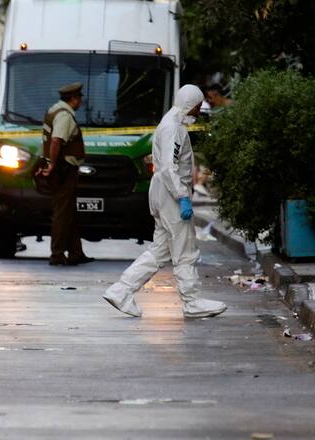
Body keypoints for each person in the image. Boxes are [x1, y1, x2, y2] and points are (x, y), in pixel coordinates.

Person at [103, 84, 227, 319]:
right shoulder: (173, 129)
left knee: (159, 251)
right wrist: (182, 197)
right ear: (190, 104)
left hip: (161, 193)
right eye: (197, 107)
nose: (198, 111)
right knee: (185, 250)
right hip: (171, 196)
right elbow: (170, 168)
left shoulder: (170, 124)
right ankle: (192, 301)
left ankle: (121, 291)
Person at [36, 82, 93, 266]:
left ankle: (76, 252)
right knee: (62, 212)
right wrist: (52, 164)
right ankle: (57, 254)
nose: (80, 102)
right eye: (79, 99)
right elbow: (56, 141)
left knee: (68, 211)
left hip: (61, 168)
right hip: (64, 169)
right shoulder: (64, 116)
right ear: (73, 99)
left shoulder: (54, 110)